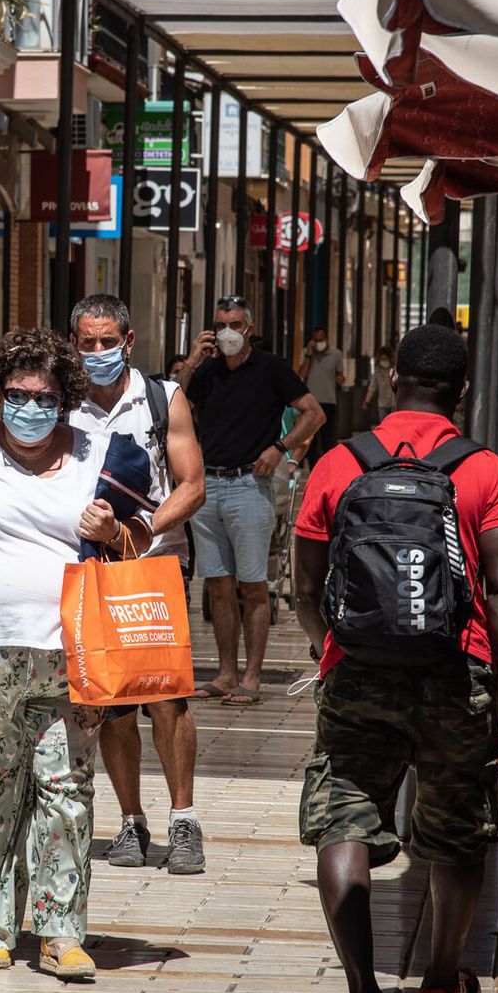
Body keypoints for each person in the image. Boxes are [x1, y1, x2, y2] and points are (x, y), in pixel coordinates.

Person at [292, 324, 498, 993]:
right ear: (463, 391)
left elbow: (306, 589)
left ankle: (364, 990)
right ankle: (437, 980)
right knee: (457, 823)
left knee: (345, 818)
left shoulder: (339, 463)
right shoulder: (485, 469)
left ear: (393, 378)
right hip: (459, 672)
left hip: (357, 669)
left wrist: (327, 649)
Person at [0, 328, 152, 979]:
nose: (30, 406)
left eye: (45, 395)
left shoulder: (97, 453)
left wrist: (113, 532)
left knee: (65, 792)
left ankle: (60, 931)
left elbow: (144, 535)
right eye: (18, 394)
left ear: (65, 397)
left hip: (70, 652)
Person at [66, 295, 208, 876]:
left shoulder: (160, 399)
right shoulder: (59, 403)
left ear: (129, 341)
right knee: (112, 700)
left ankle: (184, 820)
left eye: (108, 342)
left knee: (166, 695)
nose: (97, 353)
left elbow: (192, 484)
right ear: (74, 344)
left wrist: (143, 527)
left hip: (154, 565)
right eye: (86, 343)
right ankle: (131, 821)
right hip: (89, 566)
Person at [175, 295, 325, 706]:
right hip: (210, 486)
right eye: (221, 324)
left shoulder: (271, 369)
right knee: (219, 586)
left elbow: (314, 413)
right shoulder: (206, 372)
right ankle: (225, 674)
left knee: (252, 586)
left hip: (249, 486)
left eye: (235, 325)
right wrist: (191, 361)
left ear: (249, 329)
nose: (228, 333)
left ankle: (252, 677)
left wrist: (281, 448)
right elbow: (175, 407)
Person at [298, 326, 346, 461]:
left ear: (327, 339)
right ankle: (313, 467)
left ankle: (329, 465)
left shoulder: (336, 354)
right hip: (310, 403)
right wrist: (308, 355)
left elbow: (341, 377)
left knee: (328, 439)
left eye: (321, 339)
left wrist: (340, 379)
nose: (319, 342)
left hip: (329, 401)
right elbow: (301, 375)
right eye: (316, 339)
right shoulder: (308, 353)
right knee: (310, 441)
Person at [362, 346, 396, 426]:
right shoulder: (377, 371)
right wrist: (366, 401)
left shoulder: (395, 370)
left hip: (394, 404)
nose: (383, 362)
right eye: (382, 359)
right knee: (384, 425)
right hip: (382, 404)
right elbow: (372, 387)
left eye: (385, 359)